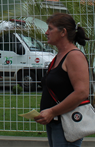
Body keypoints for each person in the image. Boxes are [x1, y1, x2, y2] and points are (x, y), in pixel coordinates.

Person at [34, 13, 90, 147]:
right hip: (55, 121)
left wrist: (53, 111)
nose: (46, 32)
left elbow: (81, 92)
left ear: (63, 32)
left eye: (50, 28)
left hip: (66, 122)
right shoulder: (59, 56)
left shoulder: (74, 56)